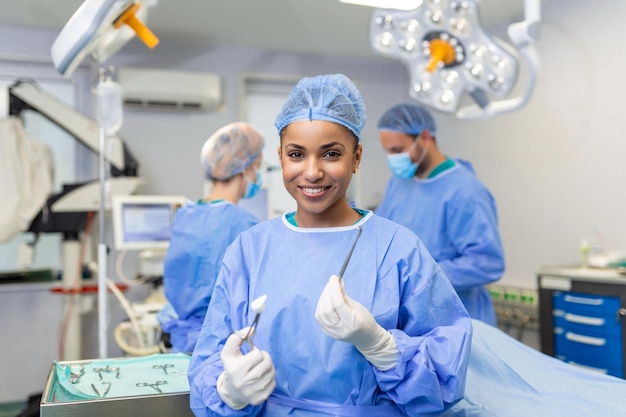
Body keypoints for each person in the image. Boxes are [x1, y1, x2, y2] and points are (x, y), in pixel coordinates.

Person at [188, 74, 472, 417]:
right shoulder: (249, 249)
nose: (311, 172)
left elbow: (445, 376)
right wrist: (228, 391)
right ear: (280, 158)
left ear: (356, 158)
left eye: (331, 154)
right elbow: (210, 357)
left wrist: (382, 347)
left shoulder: (399, 249)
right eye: (296, 154)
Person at [375, 103, 505, 325]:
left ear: (425, 138)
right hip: (413, 316)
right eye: (388, 152)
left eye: (397, 150)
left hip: (457, 319)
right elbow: (383, 237)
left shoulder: (465, 191)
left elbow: (487, 262)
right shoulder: (399, 183)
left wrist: (422, 275)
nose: (393, 159)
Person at [158, 121, 265, 354]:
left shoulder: (187, 214)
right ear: (245, 168)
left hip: (182, 342)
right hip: (219, 347)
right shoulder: (244, 225)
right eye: (258, 166)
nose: (258, 174)